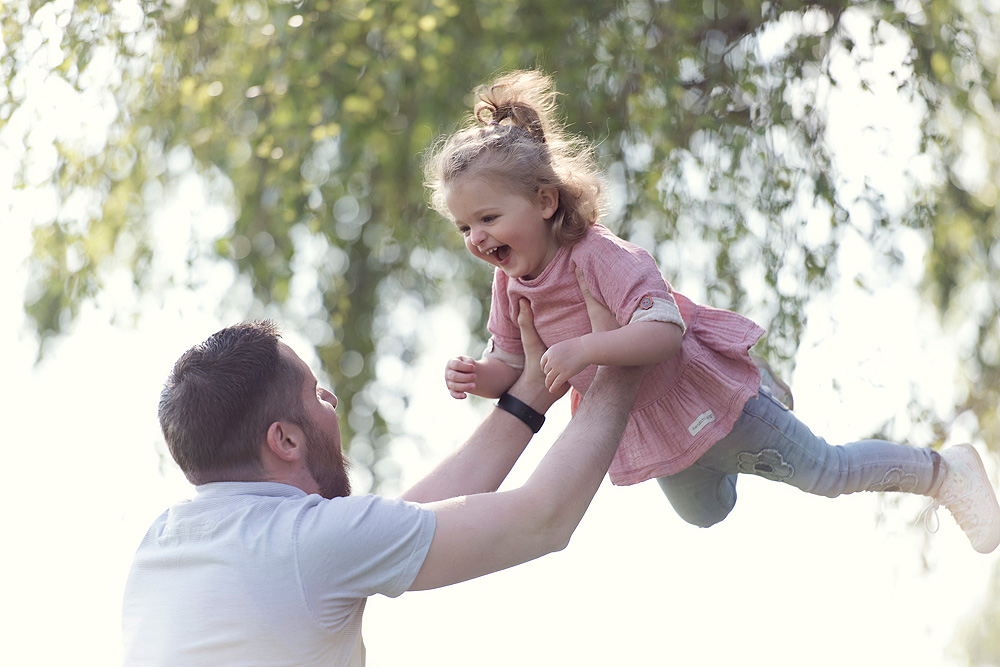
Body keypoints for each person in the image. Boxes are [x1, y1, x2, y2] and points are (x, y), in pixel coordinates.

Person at [425, 69, 1000, 554]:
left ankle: (942, 471)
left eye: (489, 219)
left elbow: (664, 331)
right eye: (464, 227)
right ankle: (751, 441)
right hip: (648, 426)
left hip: (703, 396)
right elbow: (514, 363)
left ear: (546, 201)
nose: (476, 237)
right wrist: (482, 377)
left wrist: (589, 348)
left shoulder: (597, 255)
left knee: (825, 472)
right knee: (705, 516)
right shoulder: (510, 284)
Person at [121, 279, 646, 666]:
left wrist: (531, 393)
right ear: (284, 439)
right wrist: (622, 362)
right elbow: (542, 519)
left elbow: (406, 522)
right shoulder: (304, 542)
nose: (332, 403)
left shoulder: (162, 544)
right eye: (316, 393)